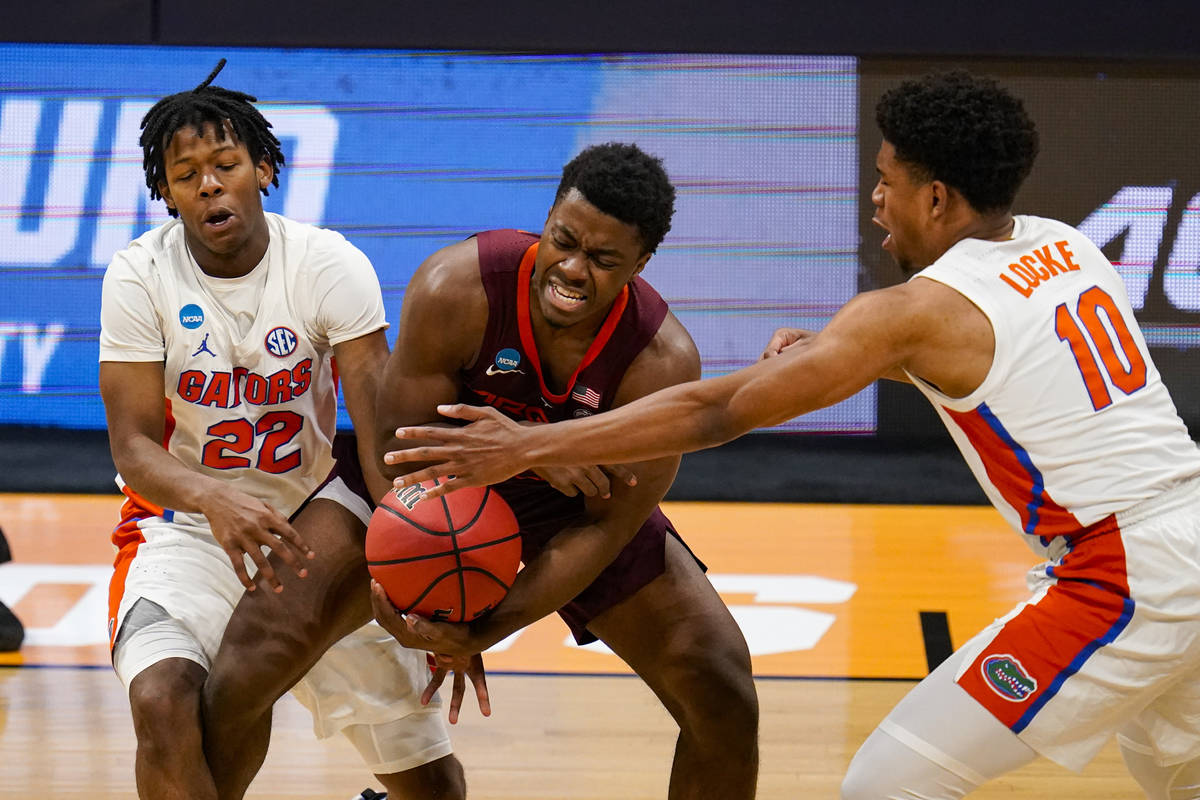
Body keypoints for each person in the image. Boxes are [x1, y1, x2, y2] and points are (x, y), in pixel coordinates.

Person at [383, 72, 1200, 799]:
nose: (874, 199)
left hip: (1120, 575)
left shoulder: (911, 311)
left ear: (938, 199)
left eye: (886, 181)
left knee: (890, 782)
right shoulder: (1067, 243)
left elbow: (716, 412)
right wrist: (834, 358)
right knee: (1175, 770)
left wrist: (524, 447)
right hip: (1187, 527)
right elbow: (1004, 356)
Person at [98, 60, 465, 800]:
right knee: (163, 703)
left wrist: (423, 569)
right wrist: (214, 498)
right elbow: (133, 448)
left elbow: (379, 428)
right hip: (188, 533)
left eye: (226, 164)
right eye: (186, 173)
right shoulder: (139, 276)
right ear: (164, 193)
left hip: (316, 529)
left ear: (263, 169)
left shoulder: (327, 264)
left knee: (432, 786)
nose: (208, 184)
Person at [370, 142, 759, 798]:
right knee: (279, 631)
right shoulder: (457, 287)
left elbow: (606, 529)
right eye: (564, 241)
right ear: (546, 219)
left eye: (603, 260)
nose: (573, 270)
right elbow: (395, 453)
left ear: (641, 263)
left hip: (576, 514)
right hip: (445, 484)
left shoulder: (660, 364)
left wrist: (484, 628)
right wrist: (530, 457)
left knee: (720, 684)